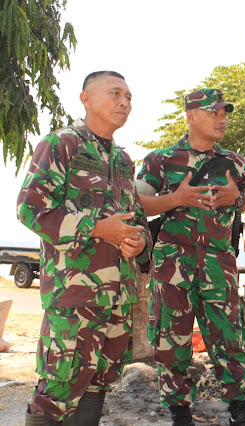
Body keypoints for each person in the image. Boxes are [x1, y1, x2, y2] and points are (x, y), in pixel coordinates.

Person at [16, 71, 151, 426]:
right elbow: (31, 208)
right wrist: (96, 228)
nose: (125, 102)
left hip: (118, 296)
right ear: (86, 99)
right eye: (115, 93)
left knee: (98, 384)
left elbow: (137, 220)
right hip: (74, 296)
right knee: (58, 389)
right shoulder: (63, 144)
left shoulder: (123, 160)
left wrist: (138, 242)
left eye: (129, 96)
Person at [135, 89, 245, 426]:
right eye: (213, 112)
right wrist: (175, 198)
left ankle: (241, 412)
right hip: (171, 265)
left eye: (225, 111)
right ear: (191, 116)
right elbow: (136, 203)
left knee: (229, 340)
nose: (222, 118)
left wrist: (237, 198)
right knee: (171, 341)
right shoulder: (161, 160)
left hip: (218, 264)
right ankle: (179, 412)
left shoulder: (235, 163)